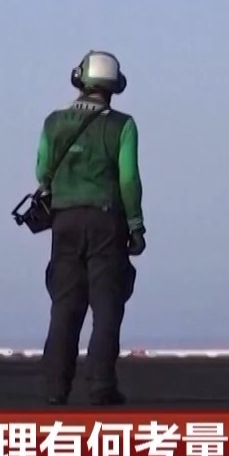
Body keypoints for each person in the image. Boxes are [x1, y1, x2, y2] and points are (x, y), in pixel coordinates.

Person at [35, 51, 146, 406]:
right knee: (106, 306)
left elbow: (42, 171)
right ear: (114, 86)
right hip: (107, 221)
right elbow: (128, 180)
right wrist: (136, 226)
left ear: (80, 79)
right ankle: (101, 384)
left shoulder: (54, 122)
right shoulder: (123, 125)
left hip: (64, 220)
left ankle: (56, 386)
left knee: (64, 305)